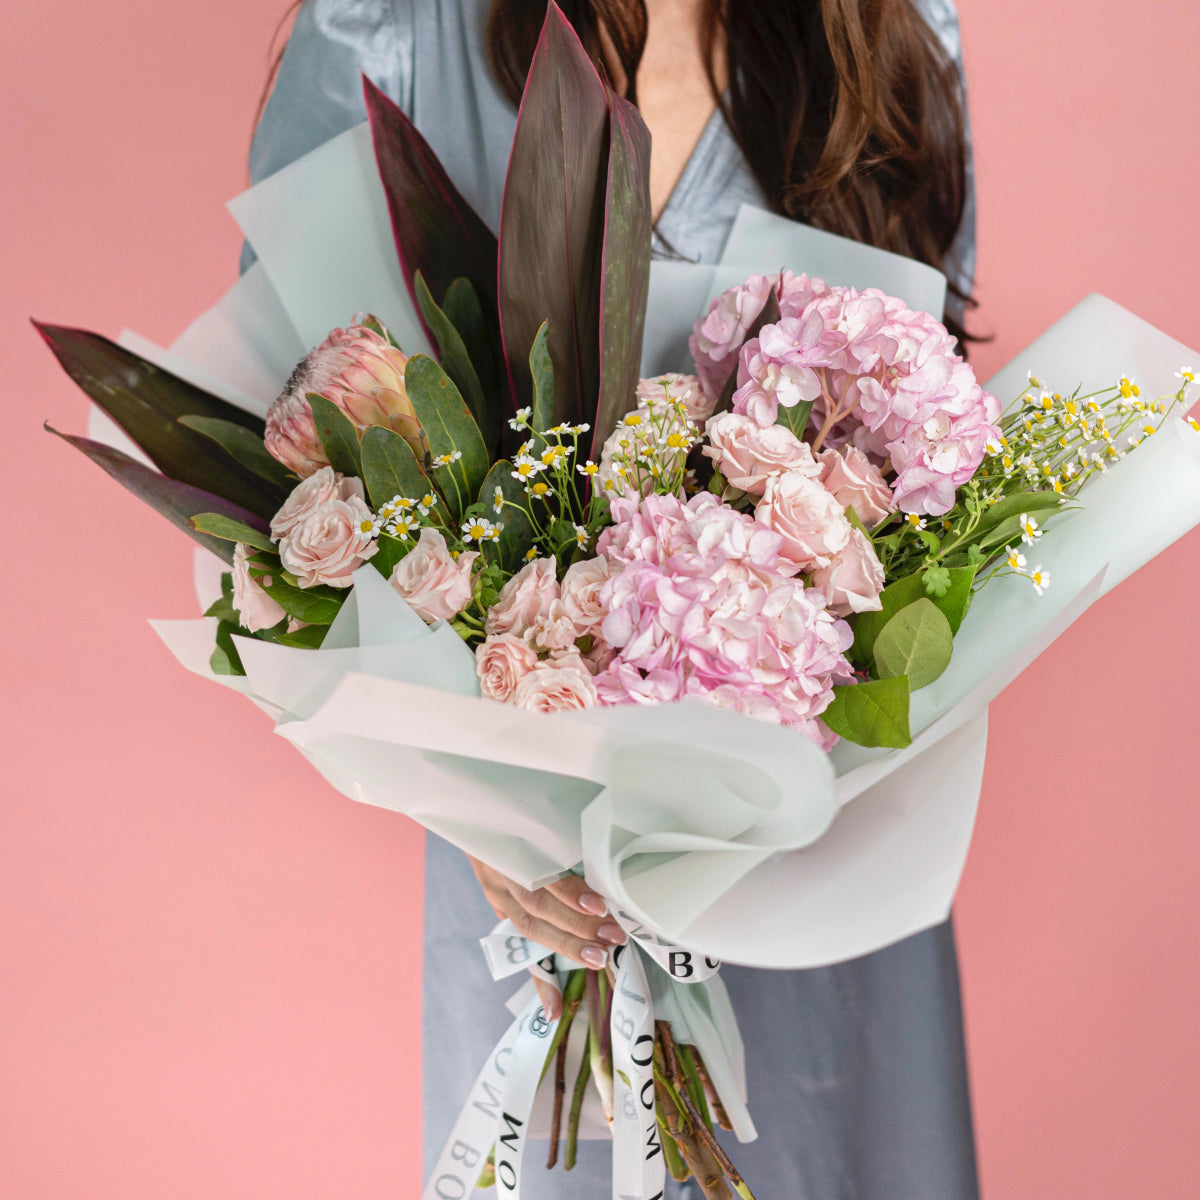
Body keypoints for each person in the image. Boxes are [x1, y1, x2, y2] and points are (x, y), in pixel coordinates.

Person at [248, 1, 980, 1195]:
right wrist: (484, 804)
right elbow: (286, 453)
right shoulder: (389, 24)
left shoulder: (895, 26)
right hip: (538, 878)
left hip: (821, 832)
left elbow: (936, 423)